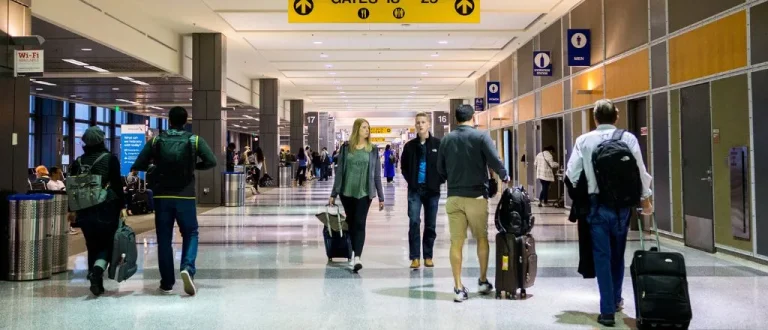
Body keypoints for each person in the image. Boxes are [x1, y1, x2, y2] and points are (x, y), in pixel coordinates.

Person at [566, 99, 653, 326]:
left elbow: (571, 174)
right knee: (618, 254)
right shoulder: (629, 138)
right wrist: (646, 202)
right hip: (623, 208)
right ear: (616, 117)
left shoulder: (583, 141)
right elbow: (640, 172)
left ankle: (606, 311)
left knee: (602, 257)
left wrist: (580, 198)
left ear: (595, 118)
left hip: (597, 208)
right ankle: (616, 300)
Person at [132, 106, 217, 296]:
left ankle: (167, 283)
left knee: (164, 238)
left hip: (162, 196)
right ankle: (187, 267)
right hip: (185, 195)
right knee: (191, 232)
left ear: (169, 121)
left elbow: (139, 164)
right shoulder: (194, 140)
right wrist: (193, 165)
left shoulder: (156, 141)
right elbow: (211, 161)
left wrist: (156, 166)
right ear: (186, 121)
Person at [437, 104, 508, 303]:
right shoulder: (481, 137)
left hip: (454, 197)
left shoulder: (446, 139)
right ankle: (483, 281)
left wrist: (451, 178)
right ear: (473, 117)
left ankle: (458, 287)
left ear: (456, 119)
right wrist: (504, 175)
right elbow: (494, 160)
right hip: (477, 197)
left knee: (456, 242)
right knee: (481, 239)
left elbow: (440, 169)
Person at [67, 126, 126, 296]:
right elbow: (117, 185)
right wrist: (122, 207)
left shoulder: (78, 162)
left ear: (85, 142)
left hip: (84, 210)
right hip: (106, 208)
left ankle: (97, 283)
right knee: (107, 244)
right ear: (102, 140)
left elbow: (72, 188)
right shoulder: (109, 159)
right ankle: (97, 272)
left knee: (92, 245)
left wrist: (72, 209)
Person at [329, 118, 385, 273]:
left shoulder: (372, 150)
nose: (367, 130)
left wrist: (381, 196)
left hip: (365, 192)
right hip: (346, 192)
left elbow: (376, 176)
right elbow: (339, 172)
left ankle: (357, 257)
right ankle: (353, 251)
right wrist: (333, 194)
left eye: (368, 128)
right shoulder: (346, 148)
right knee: (351, 222)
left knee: (360, 223)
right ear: (357, 129)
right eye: (364, 128)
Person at [401, 112, 443, 269]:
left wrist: (439, 180)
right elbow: (404, 167)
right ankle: (414, 257)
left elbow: (444, 165)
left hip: (432, 191)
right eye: (418, 122)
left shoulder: (438, 145)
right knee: (414, 222)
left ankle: (428, 255)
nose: (420, 125)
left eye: (423, 122)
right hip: (415, 190)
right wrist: (411, 181)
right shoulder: (410, 146)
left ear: (429, 124)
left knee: (430, 224)